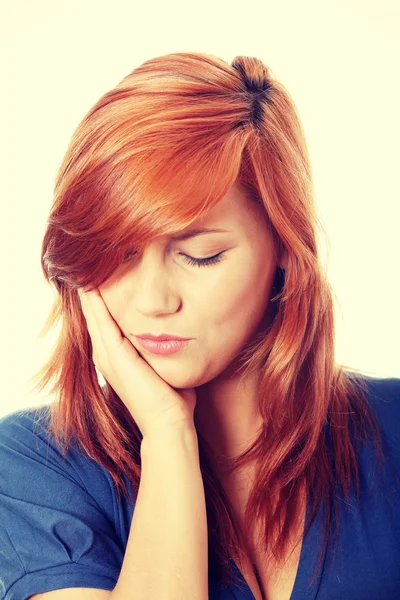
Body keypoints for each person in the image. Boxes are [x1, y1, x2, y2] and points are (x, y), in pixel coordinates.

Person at [0, 51, 399, 600]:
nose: (152, 301)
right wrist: (167, 436)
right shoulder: (32, 468)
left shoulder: (392, 429)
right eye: (116, 254)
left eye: (201, 255)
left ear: (285, 246)